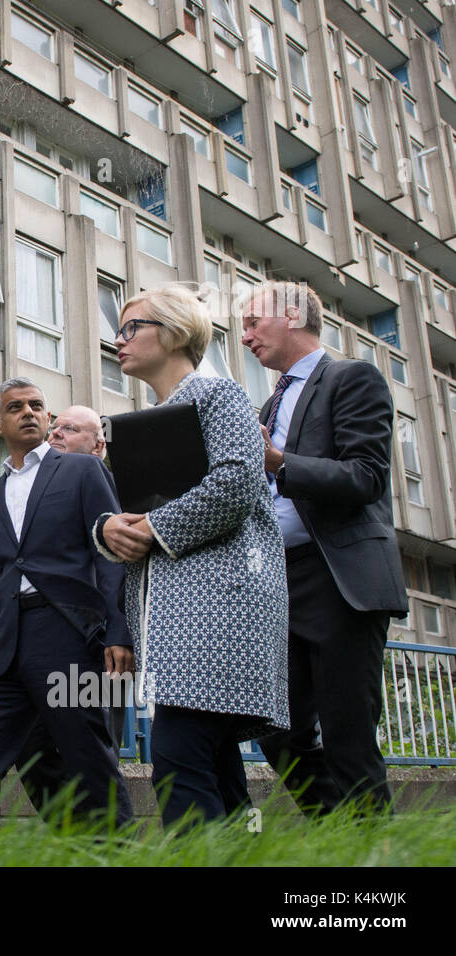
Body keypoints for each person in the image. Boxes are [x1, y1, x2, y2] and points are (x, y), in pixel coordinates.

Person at [97, 284, 288, 828]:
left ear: (176, 331)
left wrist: (153, 529)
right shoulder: (139, 424)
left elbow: (237, 482)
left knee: (178, 759)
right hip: (168, 621)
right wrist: (108, 529)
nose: (119, 338)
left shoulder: (219, 396)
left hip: (219, 610)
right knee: (214, 767)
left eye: (132, 327)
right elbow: (129, 518)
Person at [240, 281, 408, 816]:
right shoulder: (268, 402)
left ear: (292, 315)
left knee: (347, 734)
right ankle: (337, 827)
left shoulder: (352, 377)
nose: (244, 336)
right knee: (270, 726)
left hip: (338, 578)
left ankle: (367, 859)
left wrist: (278, 463)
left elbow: (365, 477)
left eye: (252, 322)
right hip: (278, 582)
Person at [0, 379, 134, 830]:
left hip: (66, 633)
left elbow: (110, 556)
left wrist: (118, 630)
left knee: (86, 753)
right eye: (16, 407)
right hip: (2, 645)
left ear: (48, 418)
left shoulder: (82, 472)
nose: (28, 412)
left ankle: (111, 855)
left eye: (37, 406)